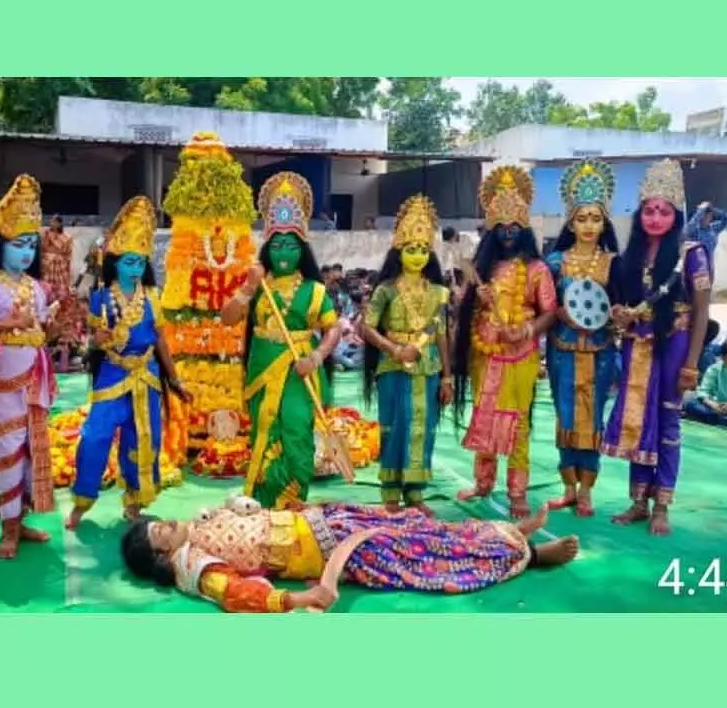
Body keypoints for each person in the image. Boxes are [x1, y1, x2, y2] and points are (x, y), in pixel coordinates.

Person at [119, 495, 579, 613]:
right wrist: (300, 599)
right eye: (159, 532)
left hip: (323, 520)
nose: (168, 526)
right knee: (420, 551)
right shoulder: (192, 566)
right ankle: (531, 556)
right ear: (160, 557)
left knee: (414, 522)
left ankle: (504, 531)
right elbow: (236, 594)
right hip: (328, 549)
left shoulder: (198, 528)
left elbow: (247, 512)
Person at [64, 195, 190, 529]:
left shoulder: (152, 296)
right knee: (95, 436)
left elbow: (160, 338)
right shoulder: (100, 297)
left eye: (139, 262)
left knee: (143, 439)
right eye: (128, 262)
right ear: (115, 261)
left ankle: (135, 504)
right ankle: (81, 503)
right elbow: (92, 339)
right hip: (112, 373)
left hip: (146, 375)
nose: (134, 269)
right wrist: (99, 342)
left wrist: (174, 378)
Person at [218, 172, 341, 509]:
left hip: (299, 373)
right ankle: (261, 504)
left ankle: (292, 503)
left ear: (302, 250)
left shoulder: (314, 290)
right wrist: (247, 287)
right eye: (276, 244)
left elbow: (333, 329)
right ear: (267, 250)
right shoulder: (257, 286)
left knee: (298, 435)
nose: (283, 251)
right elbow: (227, 317)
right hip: (262, 370)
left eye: (290, 245)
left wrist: (316, 358)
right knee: (264, 433)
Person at [602, 159, 711, 537]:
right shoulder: (631, 254)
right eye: (649, 210)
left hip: (674, 345)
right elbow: (626, 303)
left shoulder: (691, 252)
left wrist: (692, 364)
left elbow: (701, 311)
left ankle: (661, 505)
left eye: (664, 212)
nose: (655, 218)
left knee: (666, 423)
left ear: (676, 214)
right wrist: (620, 314)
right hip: (637, 346)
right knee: (637, 421)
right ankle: (637, 501)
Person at [452, 166, 556, 519]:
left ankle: (517, 491)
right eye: (502, 227)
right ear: (493, 230)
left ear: (523, 229)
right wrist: (475, 298)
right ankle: (483, 483)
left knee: (517, 422)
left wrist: (526, 331)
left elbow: (550, 311)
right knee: (484, 416)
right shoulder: (485, 265)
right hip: (486, 352)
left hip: (521, 355)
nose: (508, 233)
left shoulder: (538, 269)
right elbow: (461, 306)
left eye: (514, 228)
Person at [0, 176, 60, 554]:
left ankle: (22, 521)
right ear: (0, 245)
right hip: (2, 382)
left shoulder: (38, 288)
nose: (25, 253)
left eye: (31, 245)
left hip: (34, 378)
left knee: (31, 452)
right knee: (7, 450)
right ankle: (7, 528)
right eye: (18, 245)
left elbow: (41, 335)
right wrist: (10, 325)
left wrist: (46, 327)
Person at [358, 194, 451, 514]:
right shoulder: (385, 289)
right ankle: (391, 495)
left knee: (423, 428)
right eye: (412, 249)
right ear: (399, 250)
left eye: (424, 250)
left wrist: (449, 377)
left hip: (428, 367)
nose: (418, 256)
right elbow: (365, 328)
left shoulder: (439, 292)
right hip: (392, 365)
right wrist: (394, 348)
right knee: (395, 424)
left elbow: (441, 334)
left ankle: (416, 494)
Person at [542, 159, 622, 517]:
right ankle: (568, 487)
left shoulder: (614, 263)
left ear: (604, 222)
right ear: (570, 222)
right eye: (581, 218)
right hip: (562, 348)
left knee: (593, 420)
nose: (589, 225)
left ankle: (587, 490)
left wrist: (618, 318)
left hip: (600, 350)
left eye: (595, 218)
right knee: (565, 417)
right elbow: (542, 305)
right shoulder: (555, 261)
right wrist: (557, 312)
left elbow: (621, 305)